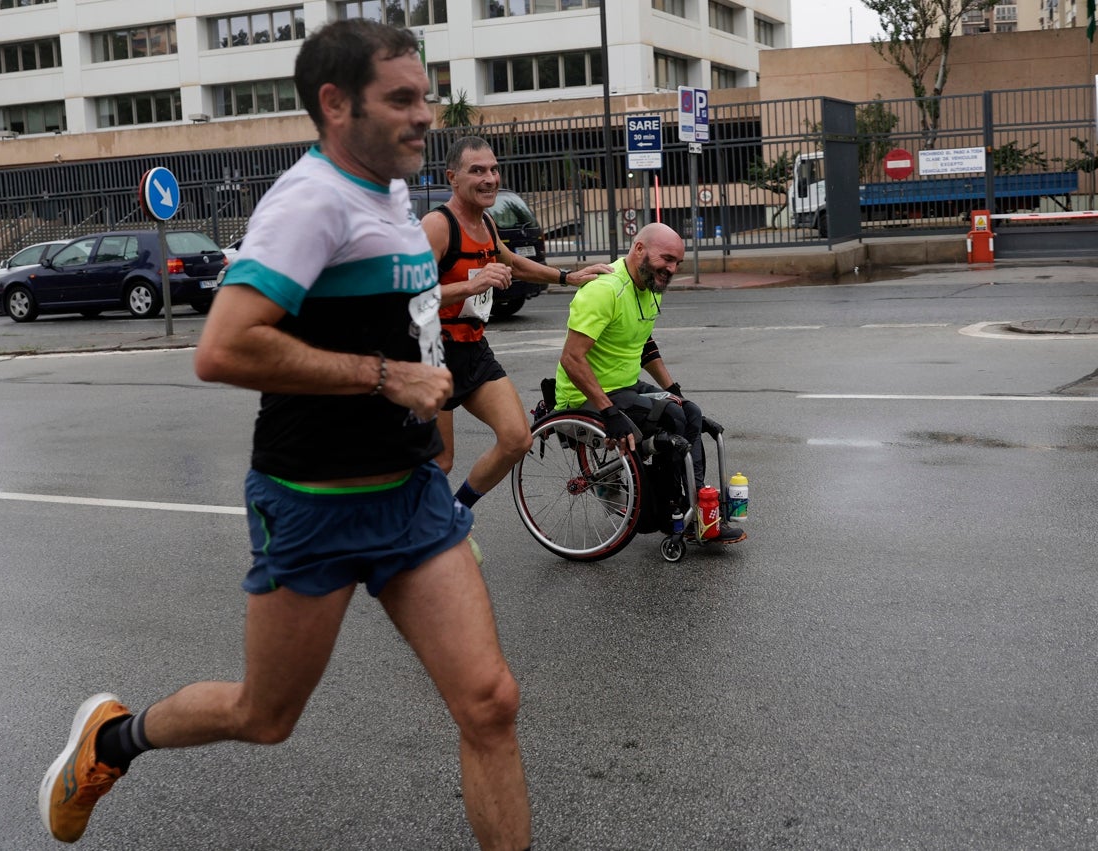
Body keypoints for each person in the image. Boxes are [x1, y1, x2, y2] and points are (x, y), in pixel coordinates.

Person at [38, 20, 531, 851]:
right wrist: (387, 377)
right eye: (402, 99)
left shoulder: (387, 186)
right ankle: (110, 741)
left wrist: (428, 366)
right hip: (315, 502)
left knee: (490, 702)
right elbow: (224, 346)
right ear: (335, 105)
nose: (425, 116)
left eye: (427, 95)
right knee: (264, 715)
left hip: (409, 496)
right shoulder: (310, 202)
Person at [422, 135, 610, 510]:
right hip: (432, 355)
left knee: (516, 439)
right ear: (452, 178)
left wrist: (567, 277)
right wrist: (471, 285)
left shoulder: (487, 223)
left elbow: (514, 263)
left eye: (493, 169)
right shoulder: (437, 226)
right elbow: (407, 298)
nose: (489, 178)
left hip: (473, 351)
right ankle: (392, 535)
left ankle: (456, 513)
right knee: (439, 462)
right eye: (477, 170)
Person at [554, 222, 746, 544]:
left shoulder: (647, 287)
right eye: (667, 258)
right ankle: (681, 511)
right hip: (584, 397)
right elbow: (572, 359)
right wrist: (609, 411)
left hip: (625, 387)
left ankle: (698, 508)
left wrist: (673, 391)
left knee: (690, 412)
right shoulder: (605, 290)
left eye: (677, 264)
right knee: (670, 420)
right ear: (639, 249)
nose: (671, 269)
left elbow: (644, 344)